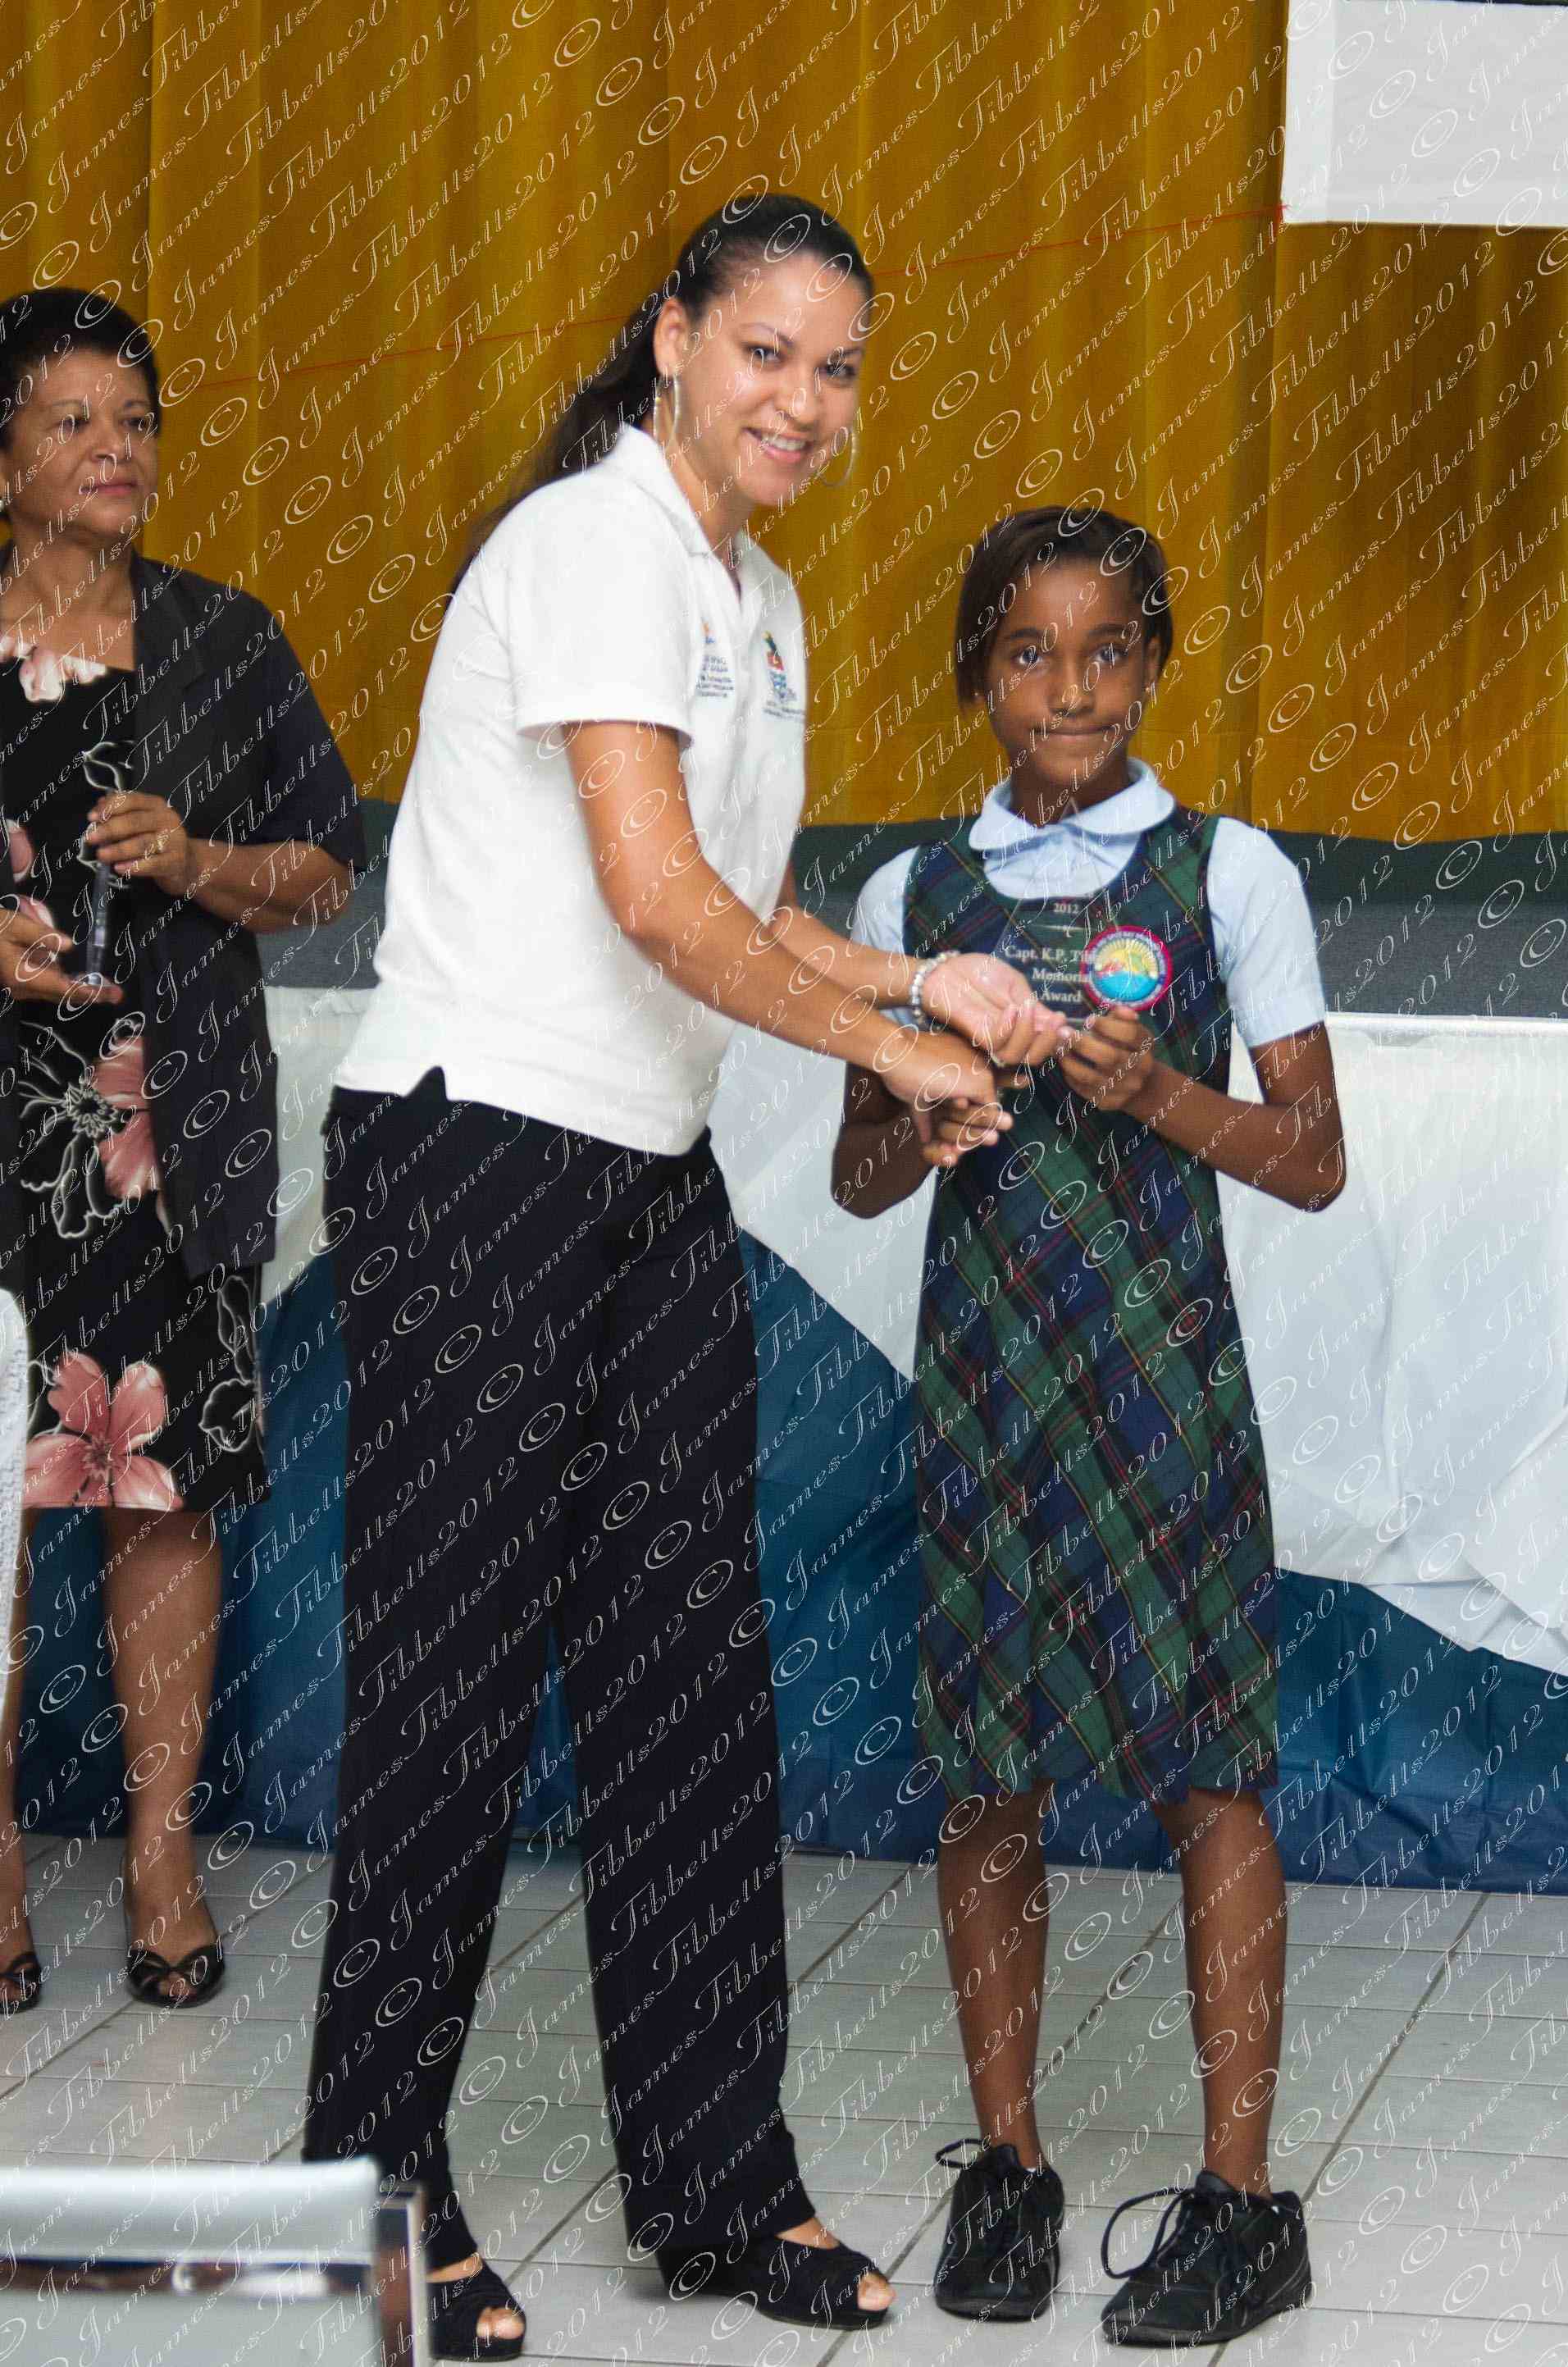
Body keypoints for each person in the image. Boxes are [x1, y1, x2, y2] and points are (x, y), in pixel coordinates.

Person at [299, 194, 1067, 2363]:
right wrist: (882, 1048)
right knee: (451, 1695)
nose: (804, 402)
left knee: (687, 1689)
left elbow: (748, 900)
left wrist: (921, 982)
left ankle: (718, 2184)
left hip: (639, 1176)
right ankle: (371, 2198)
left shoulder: (764, 600)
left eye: (839, 369)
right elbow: (650, 899)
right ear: (671, 340)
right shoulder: (590, 545)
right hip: (471, 1148)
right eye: (765, 353)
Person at [832, 505, 1346, 2348]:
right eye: (1028, 654)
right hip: (988, 1393)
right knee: (990, 1775)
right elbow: (858, 1174)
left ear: (1153, 665)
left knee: (1211, 1771)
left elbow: (1313, 1159)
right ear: (976, 674)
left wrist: (1160, 1097)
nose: (1069, 689)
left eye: (1107, 651)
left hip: (1166, 1394)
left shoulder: (1228, 874)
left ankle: (1238, 2199)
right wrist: (929, 1113)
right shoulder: (909, 897)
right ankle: (1010, 2163)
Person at [0, 287, 362, 2013]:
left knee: (159, 1495)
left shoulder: (225, 636)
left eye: (134, 420)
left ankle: (161, 1861)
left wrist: (198, 860)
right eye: (73, 420)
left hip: (171, 1140)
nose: (115, 449)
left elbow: (329, 865)